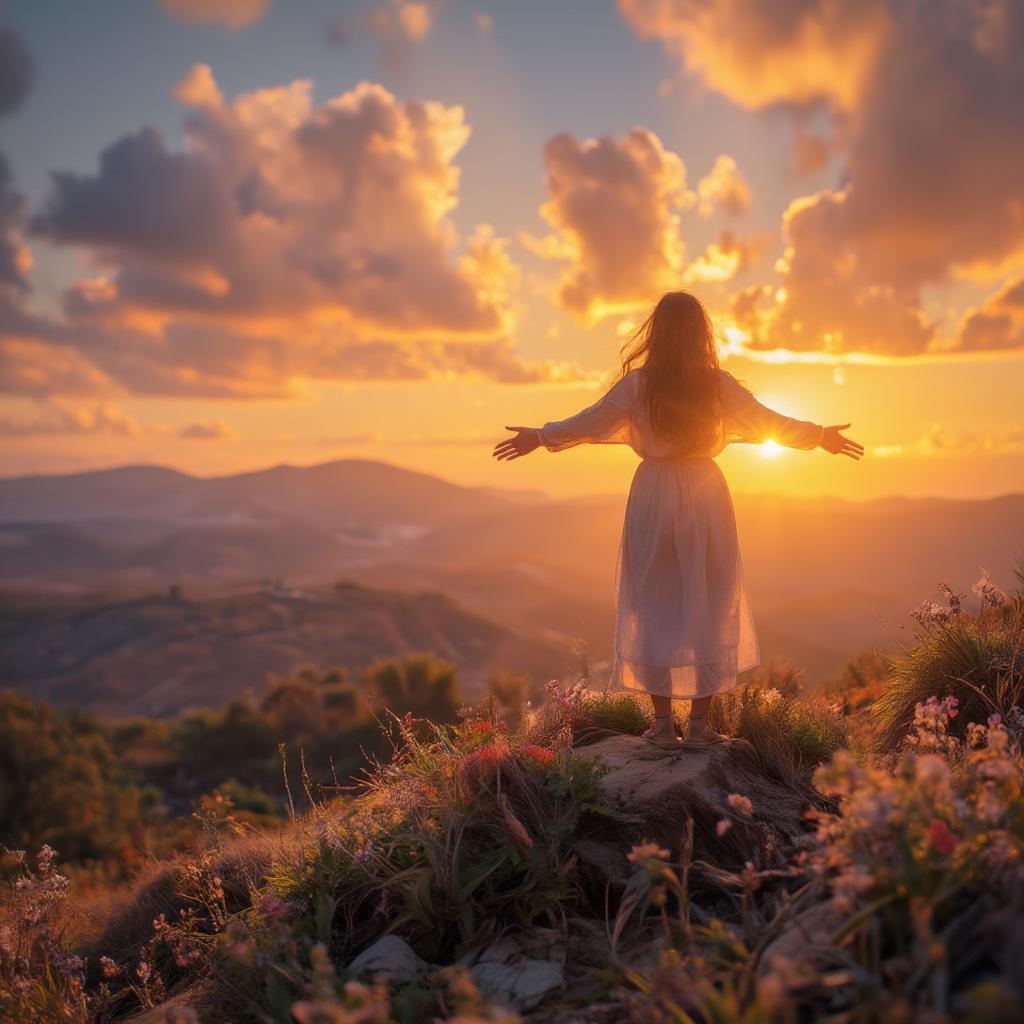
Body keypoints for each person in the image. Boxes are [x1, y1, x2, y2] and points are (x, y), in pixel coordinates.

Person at [492, 291, 863, 750]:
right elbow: (766, 420)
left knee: (653, 602)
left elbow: (589, 422)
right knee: (710, 596)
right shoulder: (716, 384)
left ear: (655, 333)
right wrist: (819, 436)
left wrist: (541, 436)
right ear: (702, 334)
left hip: (652, 494)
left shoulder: (638, 386)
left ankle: (664, 725)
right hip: (705, 494)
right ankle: (702, 727)